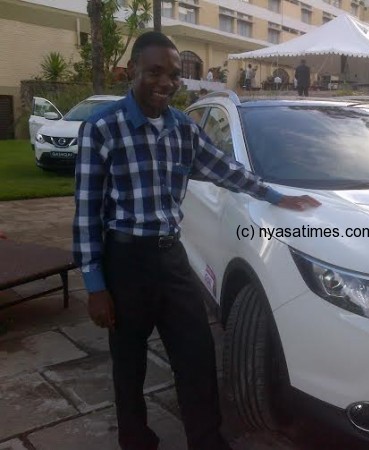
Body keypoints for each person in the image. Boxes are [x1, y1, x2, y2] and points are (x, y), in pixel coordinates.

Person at [73, 31, 320, 450]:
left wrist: (278, 196)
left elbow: (226, 170)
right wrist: (96, 286)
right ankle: (136, 440)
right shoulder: (102, 128)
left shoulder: (181, 128)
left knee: (197, 358)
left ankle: (205, 441)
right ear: (133, 70)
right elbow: (85, 213)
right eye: (154, 71)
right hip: (125, 263)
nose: (165, 82)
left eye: (173, 74)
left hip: (171, 259)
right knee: (128, 364)